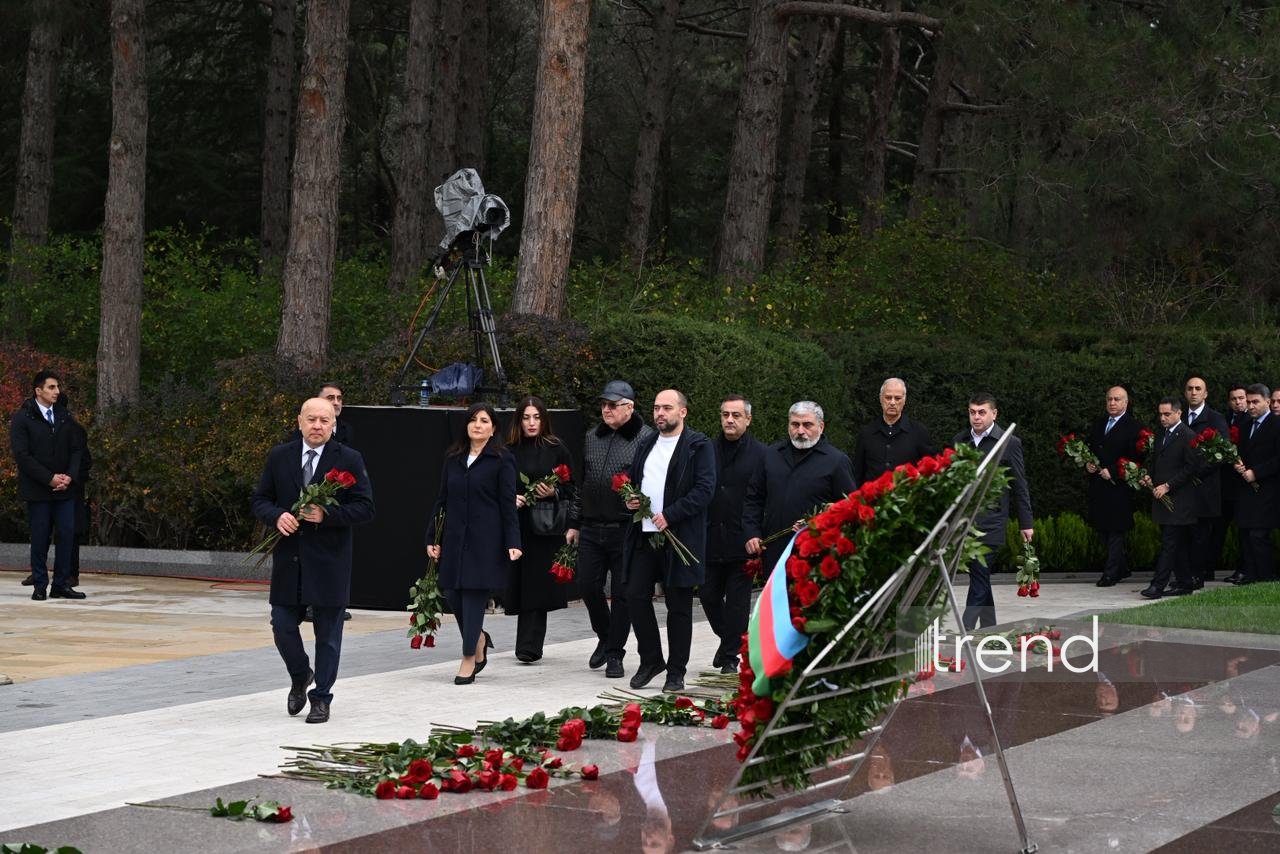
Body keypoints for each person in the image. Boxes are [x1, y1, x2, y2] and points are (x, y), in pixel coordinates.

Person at [251, 397, 375, 723]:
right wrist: (277, 516)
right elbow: (260, 499)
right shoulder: (280, 457)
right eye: (311, 419)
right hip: (289, 559)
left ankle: (322, 697)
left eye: (324, 420)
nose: (317, 425)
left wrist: (326, 514)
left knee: (328, 633)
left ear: (334, 424)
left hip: (329, 561)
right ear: (299, 421)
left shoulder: (348, 458)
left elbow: (365, 508)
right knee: (281, 624)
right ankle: (299, 674)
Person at [622, 389, 715, 693]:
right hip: (645, 534)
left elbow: (704, 489)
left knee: (679, 606)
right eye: (656, 408)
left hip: (679, 536)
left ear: (682, 412)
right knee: (634, 595)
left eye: (667, 408)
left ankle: (676, 671)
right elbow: (635, 479)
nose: (660, 413)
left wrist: (671, 514)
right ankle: (651, 660)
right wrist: (631, 500)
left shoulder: (698, 446)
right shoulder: (647, 442)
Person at [426, 402, 522, 684]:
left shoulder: (502, 459)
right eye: (473, 420)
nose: (478, 425)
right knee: (452, 593)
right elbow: (441, 500)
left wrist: (513, 541)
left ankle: (468, 657)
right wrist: (433, 536)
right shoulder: (453, 458)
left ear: (493, 429)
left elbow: (508, 504)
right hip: (455, 539)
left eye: (484, 421)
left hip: (486, 541)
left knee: (473, 598)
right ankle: (478, 637)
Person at [565, 380, 655, 679]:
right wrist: (574, 522)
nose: (606, 409)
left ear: (629, 407)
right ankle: (605, 637)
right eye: (603, 404)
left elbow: (652, 485)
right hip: (591, 525)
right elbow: (582, 482)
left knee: (621, 593)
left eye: (613, 405)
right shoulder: (592, 436)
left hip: (625, 528)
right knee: (587, 586)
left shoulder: (646, 438)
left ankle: (615, 654)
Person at [950, 393, 1033, 628]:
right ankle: (989, 630)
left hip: (993, 520)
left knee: (978, 575)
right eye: (972, 412)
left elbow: (1020, 485)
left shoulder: (1009, 442)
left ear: (994, 414)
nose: (976, 417)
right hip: (966, 522)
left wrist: (1026, 523)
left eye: (981, 412)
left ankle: (965, 630)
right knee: (980, 575)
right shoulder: (960, 440)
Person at [743, 401, 855, 573]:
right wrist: (752, 533)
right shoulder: (771, 455)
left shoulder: (837, 461)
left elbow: (849, 508)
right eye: (795, 424)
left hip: (817, 556)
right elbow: (754, 498)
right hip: (775, 553)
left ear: (821, 426)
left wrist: (819, 522)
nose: (800, 431)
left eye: (807, 425)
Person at [700, 394, 766, 675]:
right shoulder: (706, 450)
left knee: (738, 602)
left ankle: (730, 657)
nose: (729, 420)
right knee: (707, 595)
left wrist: (758, 532)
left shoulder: (763, 454)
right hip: (710, 538)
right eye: (725, 414)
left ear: (748, 419)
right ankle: (728, 640)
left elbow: (764, 497)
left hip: (743, 541)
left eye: (736, 415)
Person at [505, 395, 573, 662]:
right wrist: (511, 497)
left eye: (536, 417)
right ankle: (524, 644)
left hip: (544, 525)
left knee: (535, 583)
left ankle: (529, 646)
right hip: (516, 523)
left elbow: (572, 486)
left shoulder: (556, 447)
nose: (531, 423)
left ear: (544, 419)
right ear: (518, 420)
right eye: (526, 417)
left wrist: (553, 491)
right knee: (518, 580)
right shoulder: (508, 450)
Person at [10, 371, 85, 601]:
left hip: (65, 490)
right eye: (51, 387)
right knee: (40, 537)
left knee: (66, 534)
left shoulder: (64, 416)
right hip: (38, 490)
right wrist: (49, 478)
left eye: (57, 387)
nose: (57, 391)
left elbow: (76, 449)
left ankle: (61, 584)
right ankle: (40, 585)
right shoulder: (23, 418)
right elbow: (23, 456)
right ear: (38, 391)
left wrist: (69, 477)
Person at [1140, 398, 1199, 599]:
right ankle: (1185, 583)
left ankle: (1157, 585)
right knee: (1176, 545)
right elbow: (1157, 461)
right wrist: (1149, 476)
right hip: (1163, 500)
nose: (1163, 418)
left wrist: (1168, 485)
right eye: (1161, 414)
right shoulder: (1161, 434)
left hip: (1179, 501)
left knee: (1169, 544)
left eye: (1167, 414)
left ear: (1178, 413)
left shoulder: (1188, 435)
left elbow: (1191, 468)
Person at [1086, 386, 1142, 587]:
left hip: (1119, 489)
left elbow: (1136, 458)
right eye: (1109, 399)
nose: (1112, 403)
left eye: (1117, 399)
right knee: (1102, 529)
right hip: (1099, 488)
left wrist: (1114, 470)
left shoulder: (1134, 427)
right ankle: (1122, 568)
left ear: (1125, 403)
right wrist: (1089, 464)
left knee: (1116, 531)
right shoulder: (1099, 424)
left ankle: (1110, 574)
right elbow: (1090, 448)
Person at [1181, 375, 1229, 587]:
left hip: (1204, 487)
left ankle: (1198, 575)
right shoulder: (1178, 416)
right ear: (1185, 393)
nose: (1193, 392)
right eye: (1190, 388)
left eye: (1198, 388)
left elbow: (1222, 452)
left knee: (1202, 535)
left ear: (1205, 393)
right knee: (1185, 534)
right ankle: (1186, 574)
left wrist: (1194, 473)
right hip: (1182, 488)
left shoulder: (1215, 418)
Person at [1230, 384, 1280, 585]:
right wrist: (1238, 464)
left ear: (1267, 402)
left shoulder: (1277, 424)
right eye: (1248, 402)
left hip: (1269, 489)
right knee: (1246, 533)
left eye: (1255, 402)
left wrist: (1256, 473)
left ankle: (1266, 577)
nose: (1250, 406)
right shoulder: (1244, 426)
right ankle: (1251, 575)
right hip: (1246, 490)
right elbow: (1241, 452)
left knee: (1259, 535)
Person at [851, 378, 937, 486]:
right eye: (888, 398)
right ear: (880, 399)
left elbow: (931, 470)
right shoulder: (866, 433)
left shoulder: (919, 432)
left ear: (904, 401)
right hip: (874, 500)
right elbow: (857, 474)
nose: (892, 402)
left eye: (897, 398)